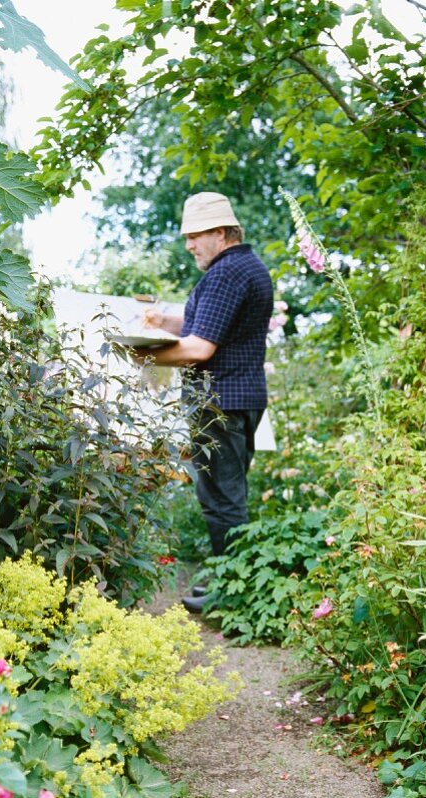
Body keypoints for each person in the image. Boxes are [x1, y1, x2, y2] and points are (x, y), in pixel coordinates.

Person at [143, 192, 274, 612]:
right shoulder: (245, 268)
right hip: (239, 397)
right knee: (225, 495)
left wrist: (141, 353)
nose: (189, 246)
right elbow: (210, 324)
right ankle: (230, 582)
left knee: (222, 500)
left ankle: (234, 593)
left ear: (220, 232)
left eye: (195, 236)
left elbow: (199, 348)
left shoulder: (225, 273)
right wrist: (166, 323)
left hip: (220, 403)